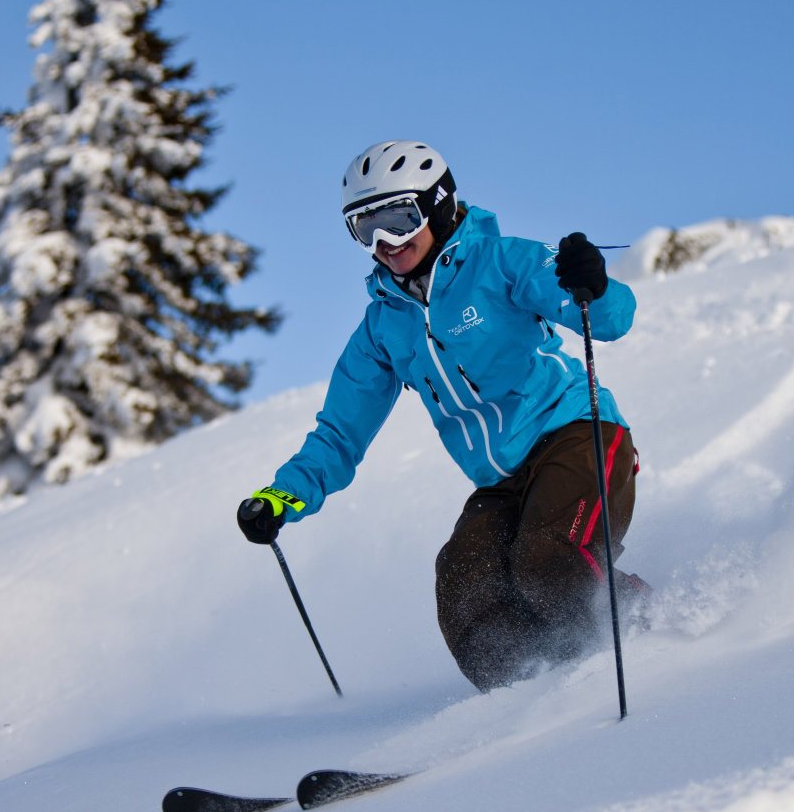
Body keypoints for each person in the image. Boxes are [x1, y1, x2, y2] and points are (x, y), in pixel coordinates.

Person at [236, 141, 642, 690]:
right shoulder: (384, 328)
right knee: (463, 586)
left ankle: (648, 634)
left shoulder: (503, 262)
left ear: (439, 204)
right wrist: (283, 497)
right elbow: (339, 433)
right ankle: (531, 702)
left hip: (576, 436)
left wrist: (591, 284)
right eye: (366, 229)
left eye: (399, 220)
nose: (386, 243)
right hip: (501, 481)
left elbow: (609, 318)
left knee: (546, 559)